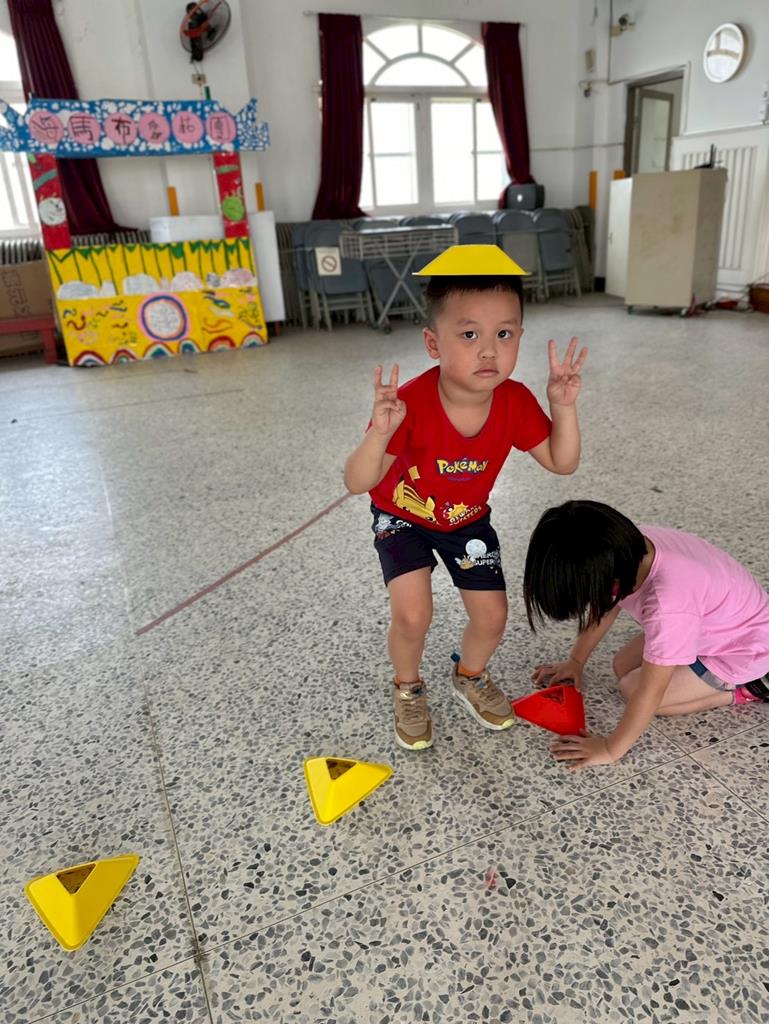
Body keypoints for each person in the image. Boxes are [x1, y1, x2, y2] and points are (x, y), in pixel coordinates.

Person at [344, 244, 588, 751]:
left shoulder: (515, 400)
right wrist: (379, 433)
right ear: (433, 343)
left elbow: (561, 461)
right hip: (402, 516)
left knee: (493, 616)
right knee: (413, 615)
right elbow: (357, 480)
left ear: (520, 336)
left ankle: (469, 675)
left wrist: (562, 406)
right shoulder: (410, 403)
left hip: (466, 520)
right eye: (470, 335)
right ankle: (407, 687)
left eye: (505, 334)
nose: (489, 351)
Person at [524, 499, 769, 770]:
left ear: (611, 580)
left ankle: (749, 689)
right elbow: (606, 608)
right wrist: (576, 660)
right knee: (621, 665)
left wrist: (610, 749)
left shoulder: (667, 606)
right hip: (710, 622)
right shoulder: (623, 545)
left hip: (742, 650)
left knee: (634, 689)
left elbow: (651, 692)